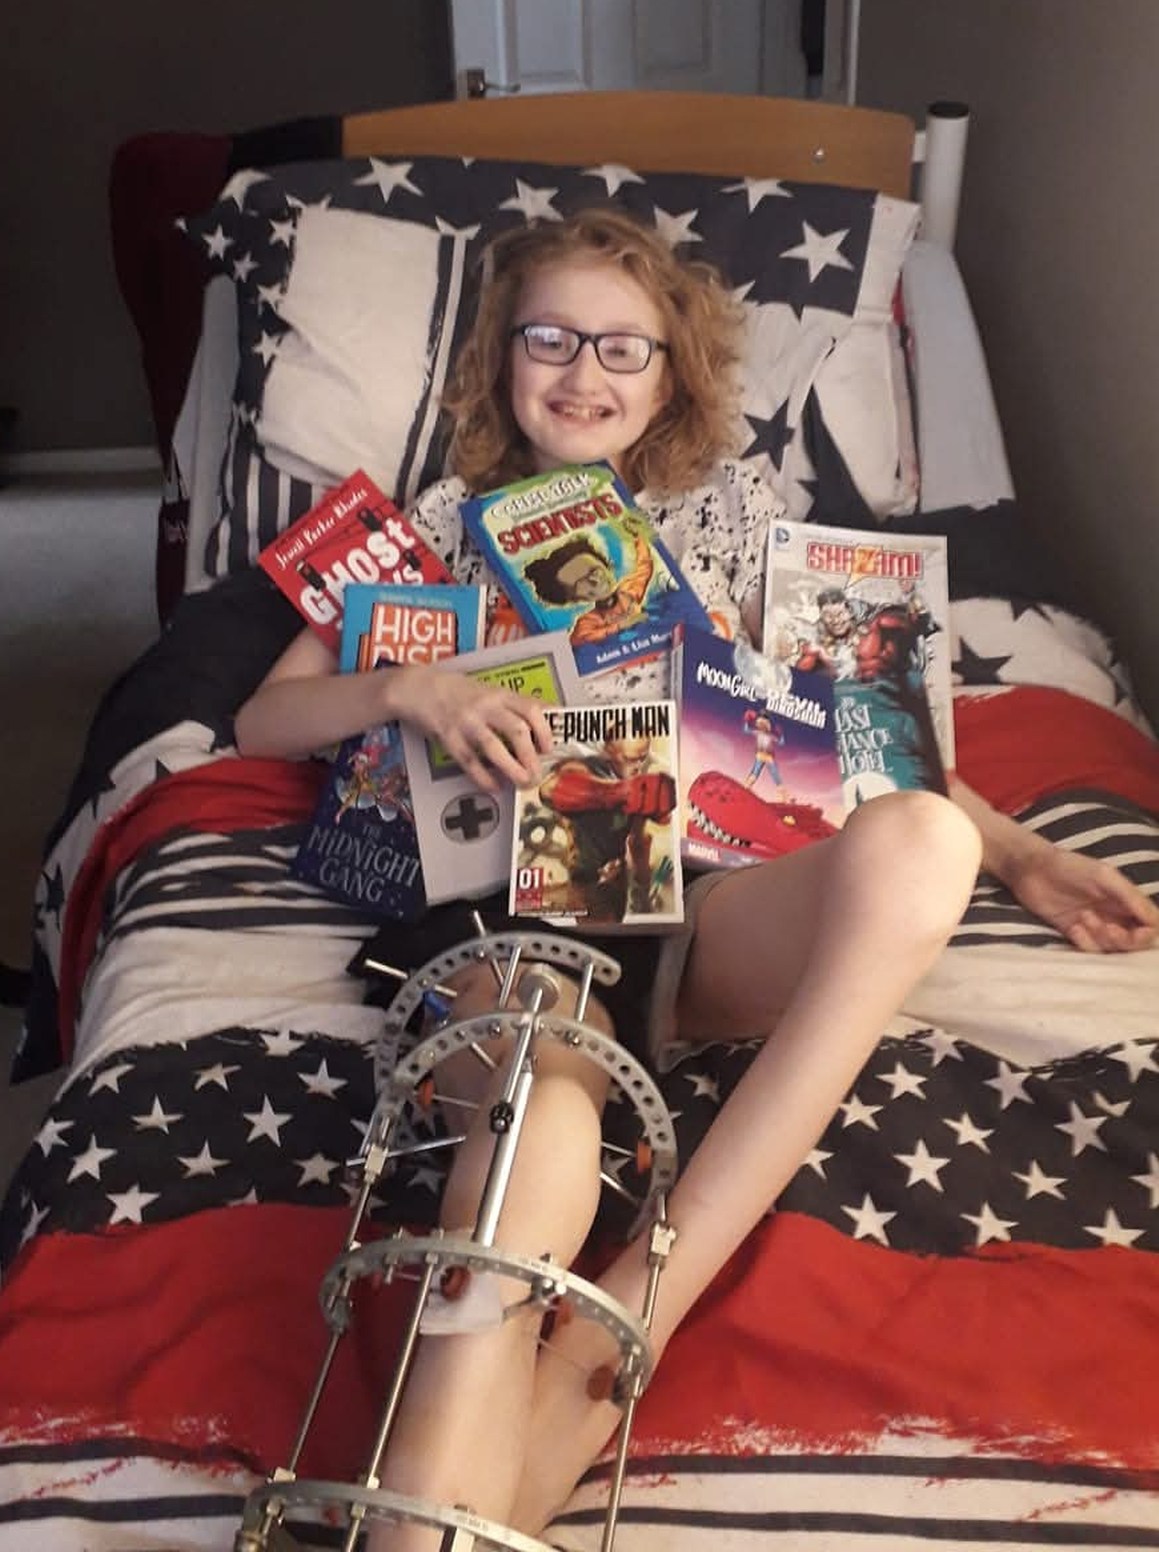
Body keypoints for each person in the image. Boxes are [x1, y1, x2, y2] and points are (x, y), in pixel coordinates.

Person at [234, 208, 1157, 1547]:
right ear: (502, 357)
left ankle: (629, 1321)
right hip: (515, 909)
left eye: (626, 347)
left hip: (706, 904)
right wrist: (411, 685)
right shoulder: (432, 527)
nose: (585, 371)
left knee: (926, 841)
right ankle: (501, 1449)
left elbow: (863, 735)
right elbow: (265, 723)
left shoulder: (735, 528)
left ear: (674, 374)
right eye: (550, 337)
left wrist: (1025, 850)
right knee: (541, 1131)